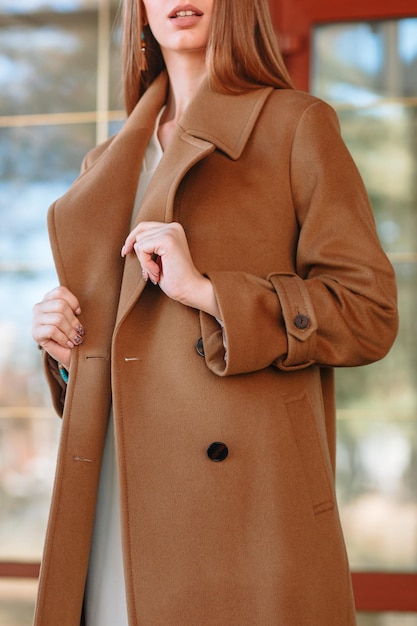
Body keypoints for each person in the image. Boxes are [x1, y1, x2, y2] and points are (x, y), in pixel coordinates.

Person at [31, 0, 398, 624]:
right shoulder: (107, 163)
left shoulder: (295, 125)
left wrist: (211, 293)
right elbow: (128, 354)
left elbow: (369, 311)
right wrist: (69, 356)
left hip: (246, 518)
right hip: (115, 501)